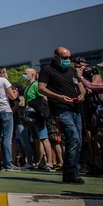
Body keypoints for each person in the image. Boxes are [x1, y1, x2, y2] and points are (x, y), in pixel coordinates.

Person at [39, 47, 86, 184]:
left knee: (77, 140)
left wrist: (82, 94)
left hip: (75, 108)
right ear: (56, 57)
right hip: (60, 109)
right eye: (65, 58)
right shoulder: (47, 70)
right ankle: (70, 171)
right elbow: (42, 88)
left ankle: (70, 170)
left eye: (69, 58)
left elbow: (80, 85)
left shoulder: (71, 71)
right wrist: (59, 97)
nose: (68, 60)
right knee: (73, 136)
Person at [22, 68, 54, 171]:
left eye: (26, 73)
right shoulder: (26, 88)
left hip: (38, 116)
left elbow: (43, 99)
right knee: (36, 140)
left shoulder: (36, 85)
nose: (24, 75)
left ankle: (49, 162)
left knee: (44, 138)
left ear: (32, 75)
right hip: (30, 117)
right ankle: (40, 162)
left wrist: (43, 112)